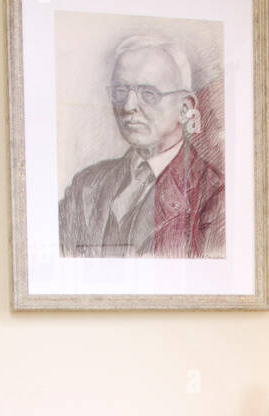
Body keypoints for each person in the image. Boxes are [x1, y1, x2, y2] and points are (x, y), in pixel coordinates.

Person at [58, 35, 225, 259]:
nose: (128, 106)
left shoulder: (214, 195)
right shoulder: (85, 187)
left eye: (148, 94)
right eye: (120, 92)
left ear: (185, 108)